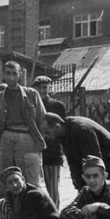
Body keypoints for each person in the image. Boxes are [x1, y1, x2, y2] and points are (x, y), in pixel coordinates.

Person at [0, 61, 47, 192]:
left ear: (20, 75)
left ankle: (33, 210)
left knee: (31, 181)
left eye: (14, 73)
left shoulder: (31, 94)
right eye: (8, 73)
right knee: (5, 180)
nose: (11, 77)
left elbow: (43, 119)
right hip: (6, 139)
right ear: (4, 75)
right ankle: (6, 210)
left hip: (27, 138)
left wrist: (38, 141)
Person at [41, 113, 110, 191]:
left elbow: (94, 160)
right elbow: (73, 162)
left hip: (109, 158)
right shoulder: (63, 133)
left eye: (47, 132)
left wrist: (90, 186)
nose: (46, 136)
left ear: (57, 126)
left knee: (103, 194)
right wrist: (79, 186)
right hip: (95, 160)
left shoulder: (81, 129)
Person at [32, 76, 66, 208]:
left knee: (53, 190)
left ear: (49, 88)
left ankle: (55, 217)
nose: (42, 90)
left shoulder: (57, 106)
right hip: (35, 152)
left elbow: (62, 131)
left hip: (52, 153)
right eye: (39, 88)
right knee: (36, 189)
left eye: (45, 87)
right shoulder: (31, 105)